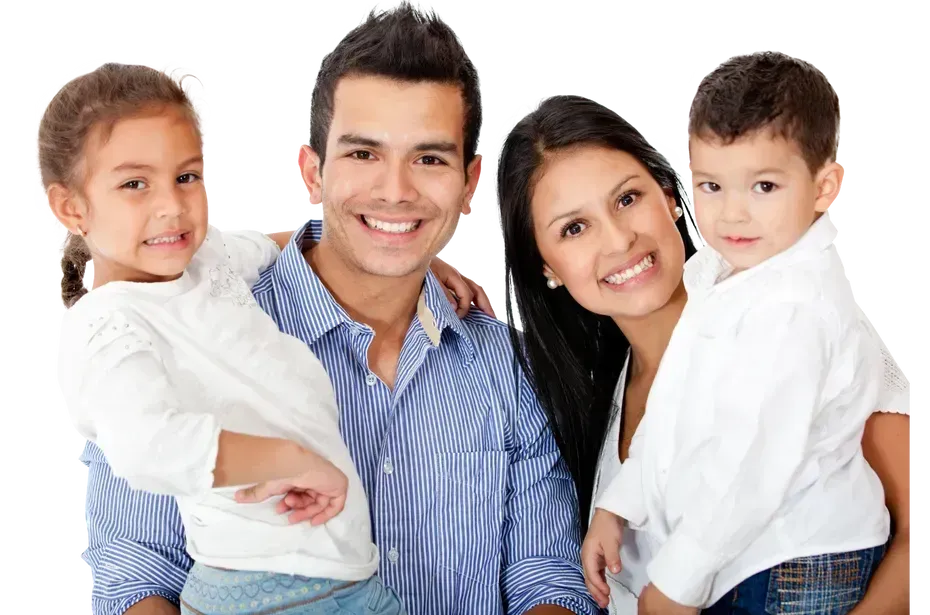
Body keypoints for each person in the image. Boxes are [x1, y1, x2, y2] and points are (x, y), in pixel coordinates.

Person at [76, 4, 600, 615]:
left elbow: (549, 579)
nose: (396, 191)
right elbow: (136, 573)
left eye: (429, 159)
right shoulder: (181, 329)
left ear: (469, 185)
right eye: (363, 154)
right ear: (312, 173)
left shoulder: (504, 364)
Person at [495, 91, 914, 615]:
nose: (620, 239)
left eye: (627, 199)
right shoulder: (594, 403)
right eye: (574, 228)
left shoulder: (792, 319)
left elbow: (920, 544)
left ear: (669, 194)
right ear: (546, 267)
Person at [47, 60, 407, 615]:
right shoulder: (108, 324)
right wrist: (289, 460)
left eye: (186, 176)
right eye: (134, 184)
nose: (172, 204)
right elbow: (149, 447)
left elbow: (285, 242)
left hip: (341, 576)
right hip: (270, 589)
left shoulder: (207, 259)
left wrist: (415, 266)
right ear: (72, 208)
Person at [581, 49, 891, 614]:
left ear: (825, 188)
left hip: (796, 558)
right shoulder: (727, 277)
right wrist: (618, 505)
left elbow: (753, 466)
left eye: (764, 187)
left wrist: (677, 582)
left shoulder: (793, 309)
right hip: (746, 554)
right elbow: (672, 407)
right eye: (711, 186)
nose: (732, 215)